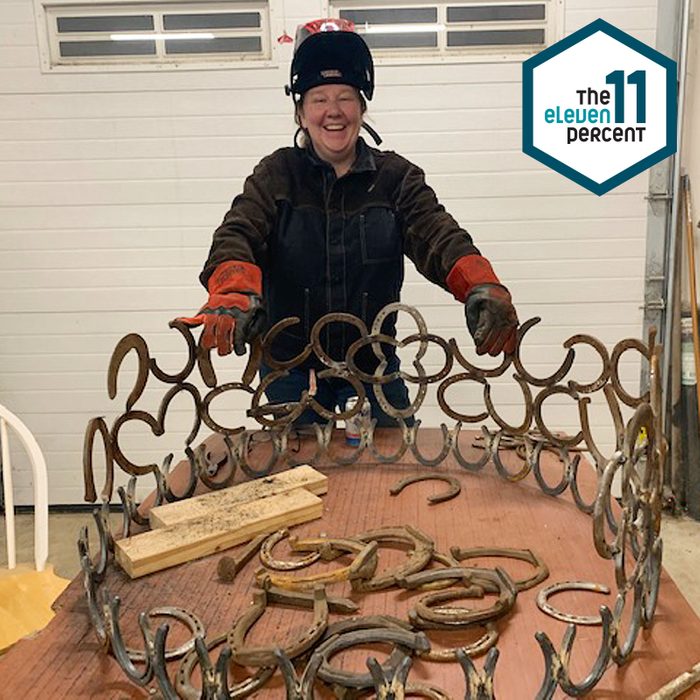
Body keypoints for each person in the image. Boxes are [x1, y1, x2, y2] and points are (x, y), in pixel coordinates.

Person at [179, 18, 519, 426]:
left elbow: (438, 233)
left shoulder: (396, 178)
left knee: (395, 471)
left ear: (362, 106)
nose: (333, 111)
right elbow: (238, 232)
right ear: (300, 112)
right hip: (291, 368)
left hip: (373, 364)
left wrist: (482, 283)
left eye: (345, 96)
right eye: (319, 98)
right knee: (297, 479)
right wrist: (232, 288)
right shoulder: (276, 175)